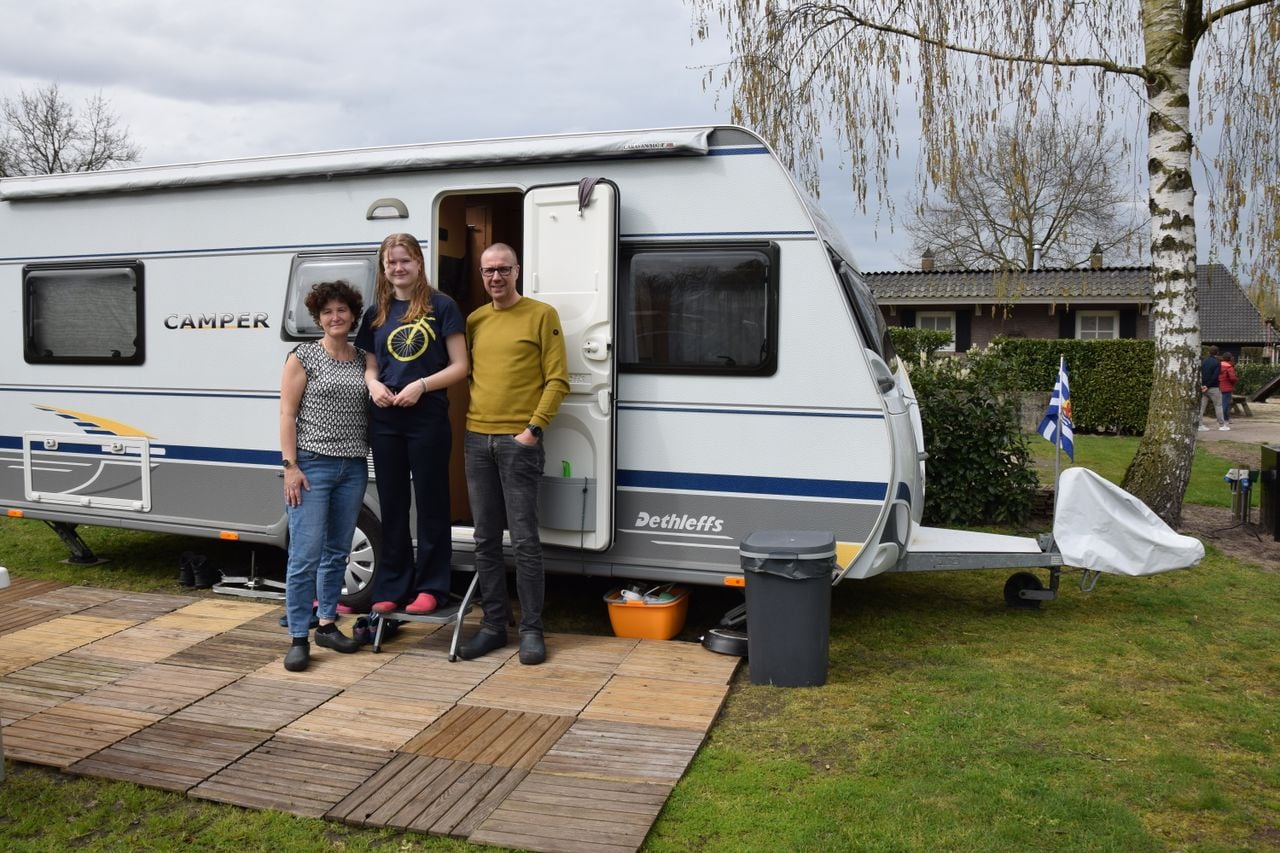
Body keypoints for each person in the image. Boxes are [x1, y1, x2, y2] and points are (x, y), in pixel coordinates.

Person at [459, 243, 569, 665]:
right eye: (488, 271)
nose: (496, 277)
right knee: (485, 539)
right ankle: (493, 626)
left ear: (517, 271)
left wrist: (532, 430)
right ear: (481, 275)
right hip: (477, 439)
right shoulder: (475, 320)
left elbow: (557, 379)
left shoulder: (541, 315)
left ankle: (531, 630)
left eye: (503, 269)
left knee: (524, 540)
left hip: (518, 442)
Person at [357, 233, 468, 615]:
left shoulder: (442, 306)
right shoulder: (376, 313)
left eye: (405, 260)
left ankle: (432, 586)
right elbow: (370, 366)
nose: (398, 268)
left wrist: (421, 385)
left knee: (432, 502)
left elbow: (460, 366)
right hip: (385, 417)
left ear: (419, 262)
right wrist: (373, 385)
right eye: (391, 262)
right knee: (393, 504)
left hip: (427, 416)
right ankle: (393, 585)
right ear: (384, 268)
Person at [279, 280, 370, 672]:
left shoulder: (363, 358)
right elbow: (287, 414)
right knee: (305, 554)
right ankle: (299, 636)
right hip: (311, 465)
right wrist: (290, 467)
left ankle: (328, 624)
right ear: (319, 318)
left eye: (342, 310)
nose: (335, 317)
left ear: (353, 315)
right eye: (327, 312)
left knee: (337, 551)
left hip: (353, 466)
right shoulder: (303, 356)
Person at [1199, 345, 1225, 432]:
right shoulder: (1217, 363)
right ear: (1217, 353)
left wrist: (1203, 385)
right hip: (1213, 387)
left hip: (1202, 387)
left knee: (1201, 407)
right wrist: (1208, 385)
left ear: (1208, 352)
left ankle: (1200, 424)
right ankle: (1221, 425)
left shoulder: (1203, 361)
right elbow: (1215, 376)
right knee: (1218, 406)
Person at [1218, 352, 1238, 428]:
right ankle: (1223, 420)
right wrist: (1236, 380)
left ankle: (1226, 418)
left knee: (1221, 404)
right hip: (1227, 387)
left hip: (1218, 386)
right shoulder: (1229, 367)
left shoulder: (1218, 365)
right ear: (1230, 359)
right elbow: (1233, 378)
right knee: (1225, 404)